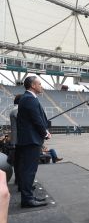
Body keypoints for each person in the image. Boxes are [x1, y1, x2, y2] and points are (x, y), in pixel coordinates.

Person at [17, 76, 50, 208]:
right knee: (29, 170)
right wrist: (45, 133)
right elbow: (36, 120)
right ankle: (27, 199)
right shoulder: (29, 99)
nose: (42, 86)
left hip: (29, 139)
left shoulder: (27, 98)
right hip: (31, 140)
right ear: (33, 86)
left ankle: (29, 196)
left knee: (29, 170)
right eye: (40, 84)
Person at [7, 94, 21, 188]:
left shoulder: (14, 110)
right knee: (21, 163)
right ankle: (21, 183)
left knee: (18, 163)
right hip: (19, 141)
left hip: (15, 141)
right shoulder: (17, 110)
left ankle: (18, 181)